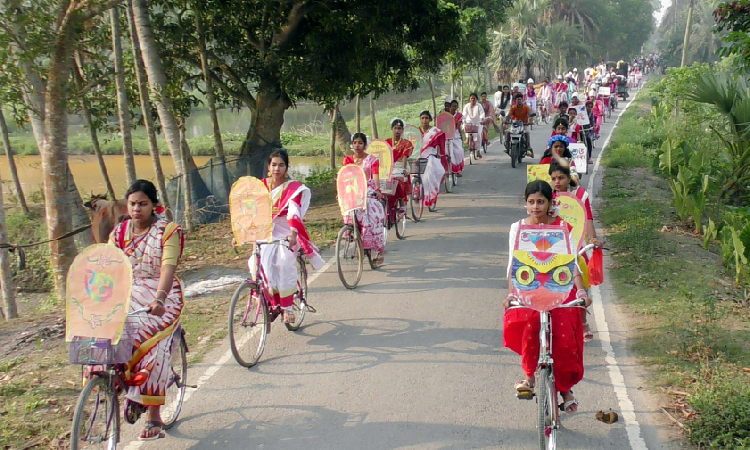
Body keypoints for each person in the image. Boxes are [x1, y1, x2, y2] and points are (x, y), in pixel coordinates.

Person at [503, 180, 589, 413]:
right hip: (528, 286)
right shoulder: (517, 228)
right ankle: (530, 377)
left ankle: (565, 390)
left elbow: (572, 264)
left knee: (564, 339)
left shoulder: (562, 228)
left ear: (550, 203)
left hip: (560, 286)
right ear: (526, 204)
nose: (536, 207)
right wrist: (512, 293)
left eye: (541, 201)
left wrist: (581, 291)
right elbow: (514, 264)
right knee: (531, 327)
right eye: (531, 202)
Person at [110, 180, 184, 441]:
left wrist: (161, 298)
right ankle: (120, 385)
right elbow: (109, 266)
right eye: (132, 204)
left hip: (161, 295)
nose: (137, 209)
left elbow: (167, 268)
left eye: (142, 203)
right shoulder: (118, 233)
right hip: (128, 290)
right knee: (106, 332)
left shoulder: (168, 231)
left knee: (153, 344)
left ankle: (154, 415)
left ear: (154, 205)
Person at [250, 150, 326, 318]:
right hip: (264, 229)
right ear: (268, 167)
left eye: (281, 165)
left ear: (287, 167)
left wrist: (293, 233)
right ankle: (266, 299)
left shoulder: (293, 188)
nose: (277, 168)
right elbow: (249, 213)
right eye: (274, 164)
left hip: (286, 230)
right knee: (255, 263)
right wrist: (241, 233)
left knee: (284, 262)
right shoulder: (260, 187)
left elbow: (294, 212)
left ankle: (287, 308)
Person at [549, 162, 603, 342]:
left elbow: (587, 218)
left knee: (580, 285)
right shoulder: (547, 196)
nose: (557, 182)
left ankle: (583, 321)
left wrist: (592, 238)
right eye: (554, 178)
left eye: (561, 178)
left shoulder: (580, 195)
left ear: (568, 178)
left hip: (576, 246)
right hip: (552, 248)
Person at [343, 133, 387, 265]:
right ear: (352, 144)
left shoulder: (372, 160)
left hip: (368, 190)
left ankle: (376, 249)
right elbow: (344, 177)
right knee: (348, 213)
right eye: (355, 142)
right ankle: (353, 234)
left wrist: (378, 189)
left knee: (373, 216)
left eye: (360, 143)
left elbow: (375, 176)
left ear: (365, 145)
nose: (357, 145)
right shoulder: (348, 160)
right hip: (353, 191)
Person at [418, 110, 447, 207]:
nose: (424, 120)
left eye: (426, 118)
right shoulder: (417, 131)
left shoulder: (434, 131)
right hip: (419, 155)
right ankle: (416, 191)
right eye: (422, 118)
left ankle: (431, 194)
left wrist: (438, 154)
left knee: (429, 172)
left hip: (431, 153)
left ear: (430, 119)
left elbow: (437, 145)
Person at [385, 118, 415, 208]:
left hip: (401, 166)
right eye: (395, 128)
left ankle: (402, 204)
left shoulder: (406, 143)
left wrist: (404, 170)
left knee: (398, 180)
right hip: (390, 167)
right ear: (392, 129)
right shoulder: (387, 142)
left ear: (402, 130)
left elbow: (405, 157)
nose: (397, 130)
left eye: (399, 128)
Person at [462, 93, 485, 159]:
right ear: (469, 99)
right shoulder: (467, 106)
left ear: (476, 99)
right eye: (471, 98)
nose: (473, 100)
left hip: (478, 122)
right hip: (469, 122)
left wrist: (481, 119)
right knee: (464, 126)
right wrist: (463, 120)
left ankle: (478, 151)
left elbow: (482, 114)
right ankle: (467, 138)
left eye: (474, 98)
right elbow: (464, 115)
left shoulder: (479, 106)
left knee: (478, 135)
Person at [449, 100, 465, 177]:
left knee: (458, 151)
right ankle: (449, 169)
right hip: (447, 136)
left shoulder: (459, 116)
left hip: (455, 135)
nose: (454, 108)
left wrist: (461, 136)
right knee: (449, 153)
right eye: (453, 106)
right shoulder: (446, 115)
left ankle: (457, 170)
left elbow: (458, 127)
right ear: (450, 107)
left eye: (455, 106)